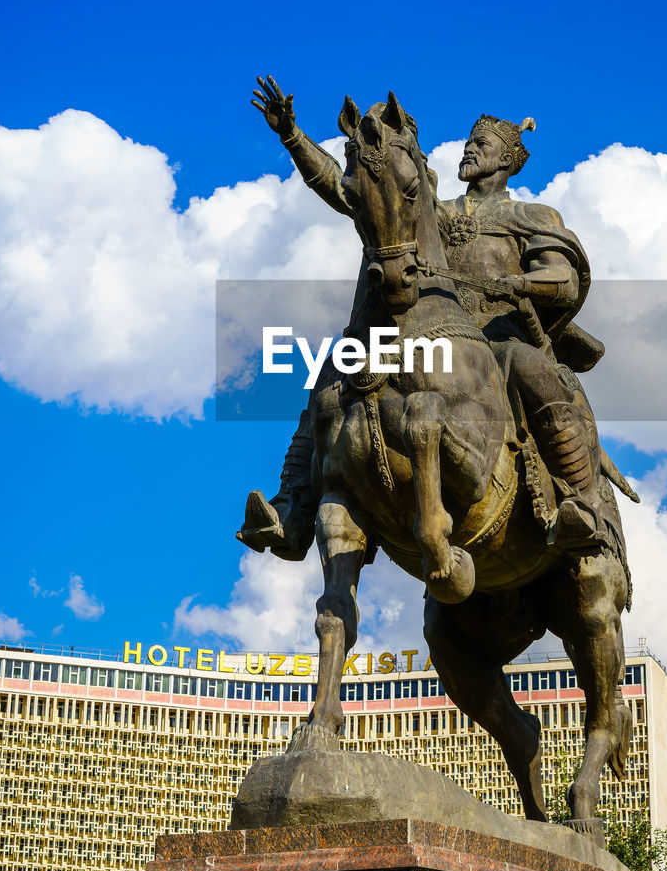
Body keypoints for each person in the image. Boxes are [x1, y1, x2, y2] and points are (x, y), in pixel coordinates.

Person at [238, 77, 612, 562]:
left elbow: (564, 279)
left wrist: (518, 284)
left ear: (507, 159)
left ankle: (581, 504)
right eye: (469, 142)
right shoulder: (430, 206)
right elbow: (345, 188)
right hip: (427, 333)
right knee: (336, 371)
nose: (469, 150)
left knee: (533, 367)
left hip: (495, 340)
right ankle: (294, 507)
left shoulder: (532, 215)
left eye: (482, 145)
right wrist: (293, 136)